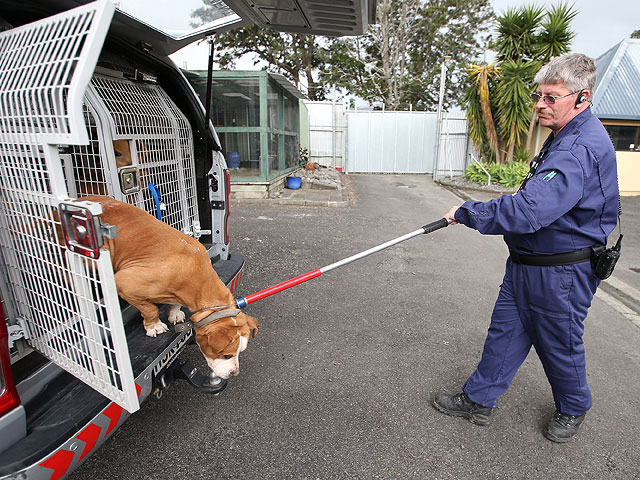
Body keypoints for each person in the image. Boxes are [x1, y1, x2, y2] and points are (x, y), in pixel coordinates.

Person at [433, 53, 619, 443]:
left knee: (559, 344)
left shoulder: (578, 147)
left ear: (581, 98)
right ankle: (480, 399)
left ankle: (573, 406)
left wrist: (469, 212)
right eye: (539, 96)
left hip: (561, 273)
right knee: (504, 333)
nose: (539, 104)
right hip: (528, 263)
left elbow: (528, 210)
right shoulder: (564, 135)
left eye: (552, 97)